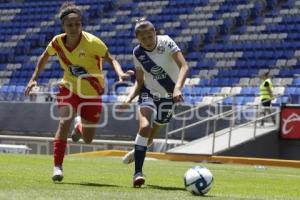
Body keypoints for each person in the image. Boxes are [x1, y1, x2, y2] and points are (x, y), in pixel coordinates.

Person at [24, 2, 133, 182]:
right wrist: (34, 77)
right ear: (63, 26)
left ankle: (80, 126)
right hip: (69, 87)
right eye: (69, 25)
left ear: (82, 24)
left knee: (88, 139)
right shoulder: (57, 42)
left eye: (77, 24)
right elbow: (44, 56)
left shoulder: (93, 42)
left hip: (93, 92)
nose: (74, 28)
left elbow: (111, 58)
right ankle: (57, 167)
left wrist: (120, 73)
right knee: (63, 122)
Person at [118, 18, 189, 187]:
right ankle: (138, 174)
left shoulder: (167, 42)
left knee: (149, 138)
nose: (148, 41)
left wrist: (177, 88)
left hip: (168, 97)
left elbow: (184, 67)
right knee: (144, 127)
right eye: (143, 39)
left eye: (151, 36)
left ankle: (137, 150)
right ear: (138, 39)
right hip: (148, 94)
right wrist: (128, 99)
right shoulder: (138, 53)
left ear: (155, 32)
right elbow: (140, 81)